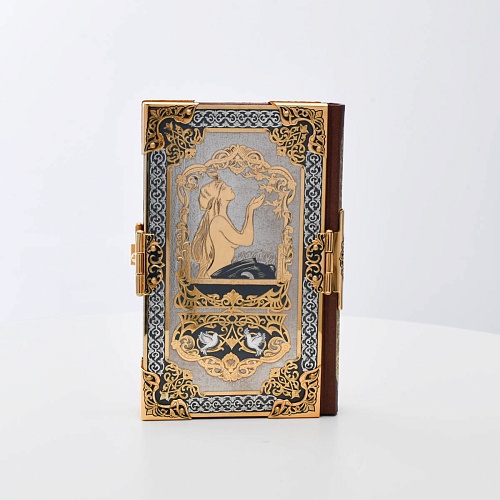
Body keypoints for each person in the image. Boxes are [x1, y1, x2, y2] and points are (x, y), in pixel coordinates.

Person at [191, 174, 274, 279]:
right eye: (224, 187)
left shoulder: (222, 219)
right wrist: (250, 210)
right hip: (218, 274)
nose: (229, 187)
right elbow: (247, 240)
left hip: (224, 272)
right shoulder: (218, 221)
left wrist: (250, 209)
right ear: (219, 197)